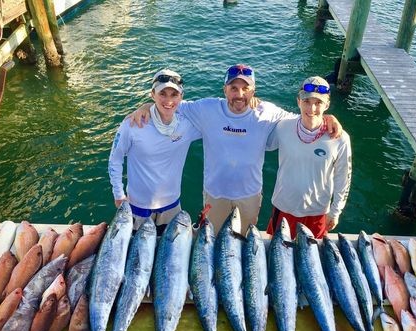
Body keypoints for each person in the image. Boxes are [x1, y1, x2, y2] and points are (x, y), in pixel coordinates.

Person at [128, 64, 343, 234]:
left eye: (245, 88)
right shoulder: (207, 108)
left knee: (243, 242)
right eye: (233, 88)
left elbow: (304, 119)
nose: (239, 94)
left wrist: (328, 118)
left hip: (249, 196)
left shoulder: (266, 112)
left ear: (253, 91)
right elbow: (170, 105)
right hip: (215, 195)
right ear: (225, 90)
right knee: (209, 239)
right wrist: (146, 106)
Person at [108, 69, 201, 234]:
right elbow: (115, 159)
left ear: (181, 97)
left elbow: (219, 122)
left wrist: (253, 105)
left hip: (172, 205)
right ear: (152, 94)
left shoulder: (187, 125)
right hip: (138, 207)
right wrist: (118, 194)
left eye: (174, 95)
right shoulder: (132, 124)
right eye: (162, 94)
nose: (168, 100)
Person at [266, 76, 352, 239]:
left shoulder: (340, 138)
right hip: (284, 207)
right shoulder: (283, 126)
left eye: (318, 103)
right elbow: (260, 118)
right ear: (298, 101)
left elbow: (343, 178)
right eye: (306, 102)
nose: (312, 108)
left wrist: (335, 212)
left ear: (327, 104)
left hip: (317, 212)